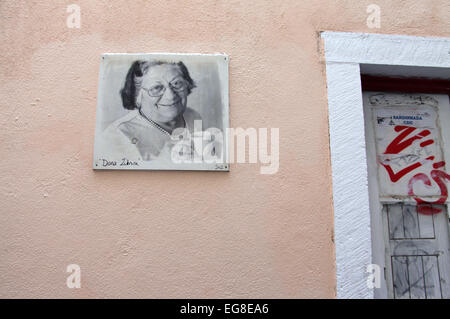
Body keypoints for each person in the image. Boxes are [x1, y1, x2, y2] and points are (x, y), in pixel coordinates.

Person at [100, 60, 202, 163]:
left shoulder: (193, 116)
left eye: (177, 83)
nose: (171, 96)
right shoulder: (118, 137)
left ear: (187, 84)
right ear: (137, 96)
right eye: (156, 88)